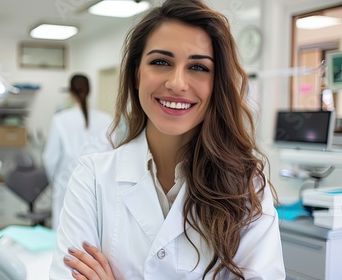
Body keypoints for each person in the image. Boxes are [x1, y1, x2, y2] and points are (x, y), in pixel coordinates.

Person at [49, 0, 286, 279]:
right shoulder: (91, 177)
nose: (176, 83)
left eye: (198, 67)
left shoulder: (246, 186)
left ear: (217, 83)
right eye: (161, 62)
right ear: (137, 74)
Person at [42, 74, 113, 231]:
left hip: (66, 183)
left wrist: (56, 180)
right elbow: (112, 156)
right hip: (99, 185)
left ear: (70, 92)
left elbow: (50, 158)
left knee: (65, 233)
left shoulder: (60, 119)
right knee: (95, 232)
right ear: (89, 91)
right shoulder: (106, 119)